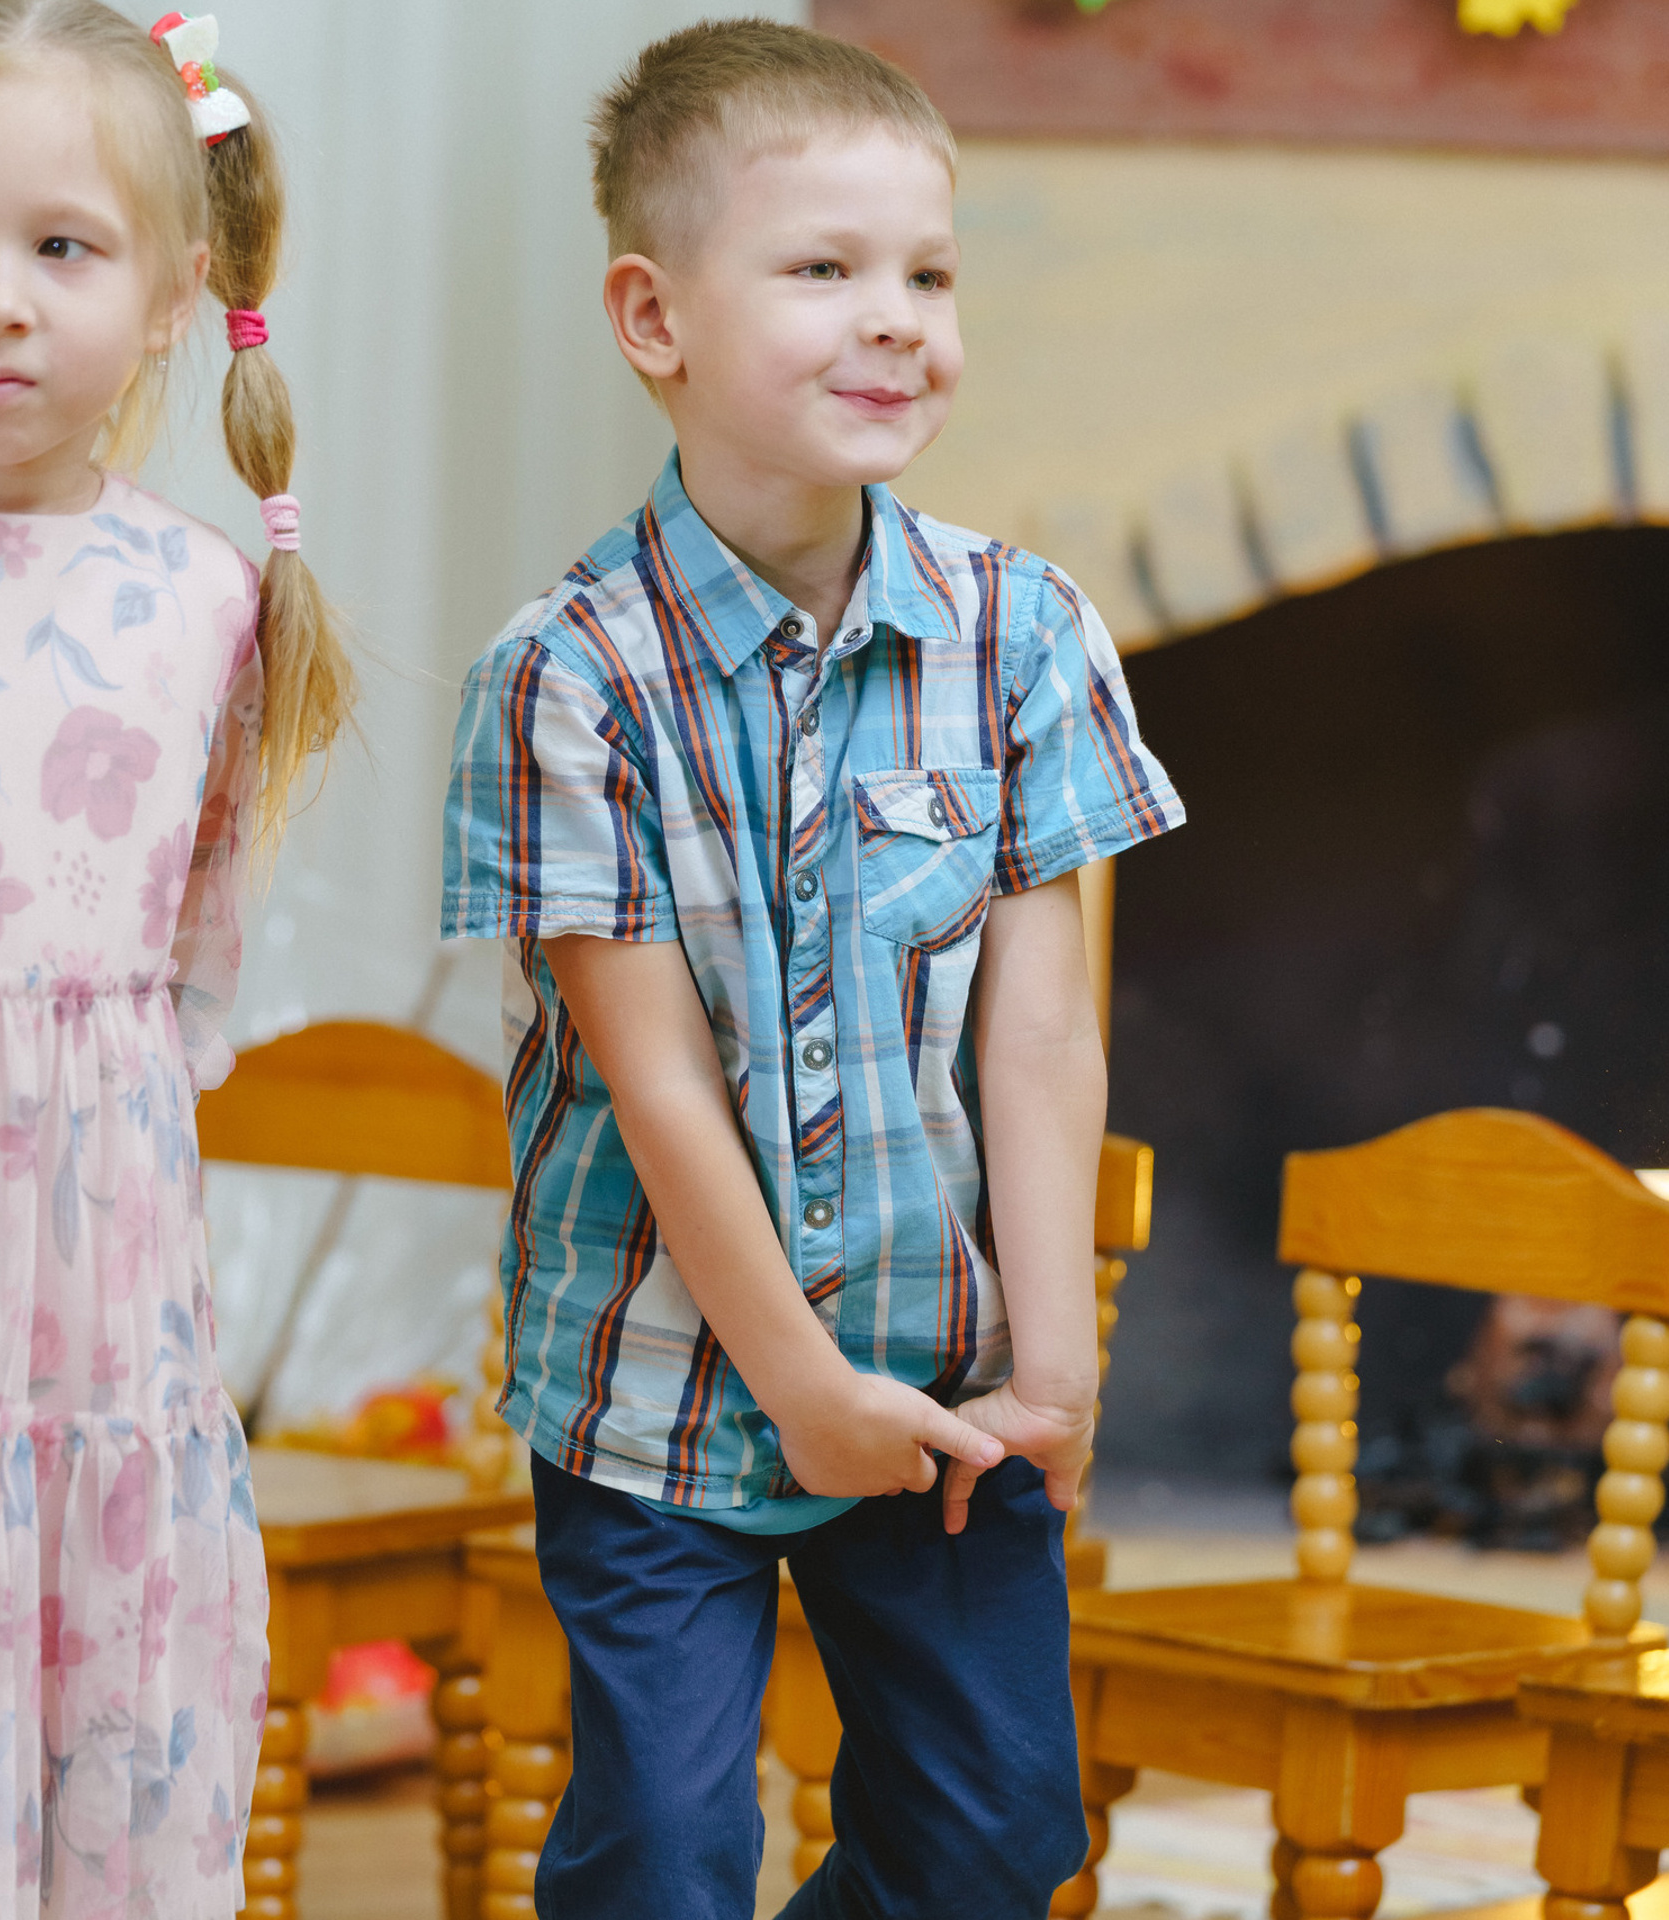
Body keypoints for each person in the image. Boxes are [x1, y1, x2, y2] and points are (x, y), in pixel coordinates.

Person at [440, 20, 1183, 1918]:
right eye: (824, 268)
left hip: (949, 1388)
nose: (897, 319)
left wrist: (1058, 1367)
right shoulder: (568, 676)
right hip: (663, 1389)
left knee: (1001, 1839)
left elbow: (1039, 1032)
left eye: (928, 271)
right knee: (671, 1856)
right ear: (654, 315)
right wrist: (801, 1387)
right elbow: (654, 1081)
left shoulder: (1023, 632)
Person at [0, 3, 355, 1909]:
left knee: (92, 1681)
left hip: (102, 1286)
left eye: (60, 247)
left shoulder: (201, 602)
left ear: (171, 292)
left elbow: (187, 947)